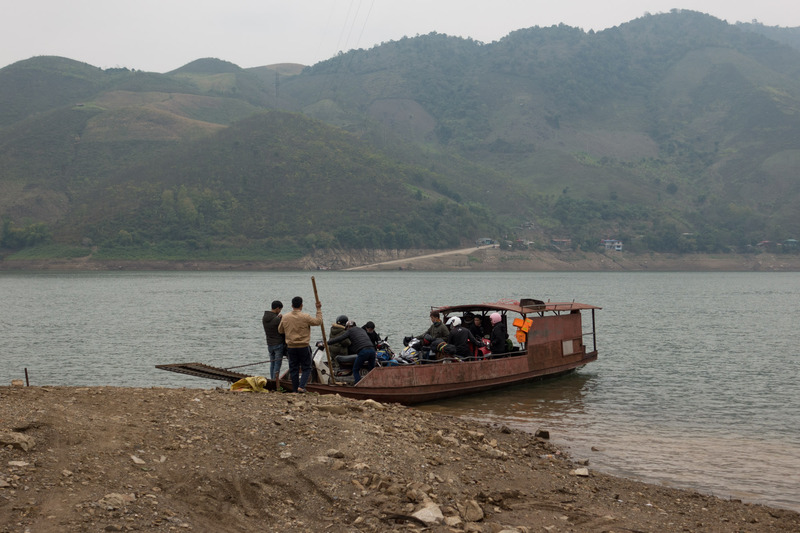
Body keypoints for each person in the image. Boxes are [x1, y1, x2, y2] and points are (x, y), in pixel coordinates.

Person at [278, 296, 322, 393]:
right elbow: (318, 321)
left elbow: (280, 330)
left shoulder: (285, 317)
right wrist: (318, 309)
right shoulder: (305, 316)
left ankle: (295, 389)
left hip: (291, 347)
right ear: (301, 305)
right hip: (303, 346)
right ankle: (301, 386)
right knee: (307, 367)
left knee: (294, 368)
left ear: (292, 305)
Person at [328, 320, 377, 385]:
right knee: (371, 370)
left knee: (356, 369)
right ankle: (374, 384)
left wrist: (326, 343)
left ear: (348, 327)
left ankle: (358, 385)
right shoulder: (361, 330)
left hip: (363, 351)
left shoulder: (350, 331)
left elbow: (339, 339)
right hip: (372, 350)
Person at [261, 300, 285, 380]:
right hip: (278, 343)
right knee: (277, 364)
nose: (280, 311)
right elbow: (282, 330)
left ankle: (272, 379)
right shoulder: (277, 320)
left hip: (269, 343)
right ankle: (275, 381)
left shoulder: (264, 318)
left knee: (272, 363)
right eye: (280, 309)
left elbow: (272, 323)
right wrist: (281, 319)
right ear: (277, 308)